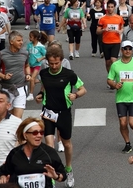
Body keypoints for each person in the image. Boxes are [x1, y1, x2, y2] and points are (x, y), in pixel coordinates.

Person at [35, 45, 87, 188]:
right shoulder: (44, 73)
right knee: (50, 145)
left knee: (66, 143)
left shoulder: (69, 74)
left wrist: (75, 95)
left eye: (56, 63)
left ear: (61, 60)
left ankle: (68, 169)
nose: (54, 66)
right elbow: (43, 88)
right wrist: (39, 96)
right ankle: (53, 174)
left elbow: (83, 89)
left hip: (64, 112)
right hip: (48, 113)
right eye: (51, 63)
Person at [0, 117, 67, 187]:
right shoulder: (15, 153)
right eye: (35, 133)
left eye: (41, 132)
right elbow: (3, 172)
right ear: (25, 135)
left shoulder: (49, 152)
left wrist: (56, 176)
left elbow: (63, 175)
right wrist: (2, 177)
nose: (39, 136)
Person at [107, 41, 133, 153]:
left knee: (132, 123)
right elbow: (109, 79)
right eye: (125, 48)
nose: (127, 51)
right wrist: (115, 85)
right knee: (122, 122)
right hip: (121, 98)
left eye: (130, 48)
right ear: (121, 50)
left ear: (132, 50)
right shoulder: (115, 65)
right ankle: (127, 143)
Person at [0, 31, 31, 119]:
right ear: (11, 42)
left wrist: (28, 74)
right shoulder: (2, 54)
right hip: (6, 89)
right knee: (7, 117)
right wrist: (3, 76)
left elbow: (27, 65)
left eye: (21, 40)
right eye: (18, 40)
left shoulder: (25, 53)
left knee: (17, 119)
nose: (21, 42)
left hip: (21, 88)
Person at [97, 0, 125, 74]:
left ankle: (114, 77)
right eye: (108, 7)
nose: (110, 8)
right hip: (106, 42)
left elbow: (122, 27)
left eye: (112, 7)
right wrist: (103, 30)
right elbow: (97, 31)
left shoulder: (119, 18)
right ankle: (110, 77)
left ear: (114, 7)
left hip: (116, 42)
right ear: (106, 7)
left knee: (114, 61)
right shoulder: (102, 19)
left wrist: (120, 31)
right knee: (108, 62)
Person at [26, 30, 47, 101]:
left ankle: (31, 94)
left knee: (32, 79)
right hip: (29, 64)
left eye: (31, 37)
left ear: (35, 38)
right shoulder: (29, 45)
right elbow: (26, 53)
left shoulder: (40, 46)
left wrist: (40, 58)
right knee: (30, 79)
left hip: (37, 65)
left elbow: (46, 55)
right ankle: (41, 80)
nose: (29, 38)